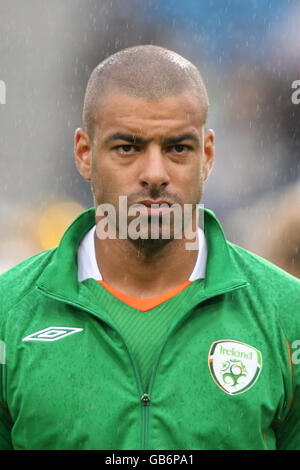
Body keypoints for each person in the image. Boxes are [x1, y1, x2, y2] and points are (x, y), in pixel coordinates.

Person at [0, 45, 299, 451]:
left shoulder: (287, 314)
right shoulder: (9, 314)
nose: (155, 174)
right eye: (128, 147)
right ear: (85, 154)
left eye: (178, 148)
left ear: (207, 155)